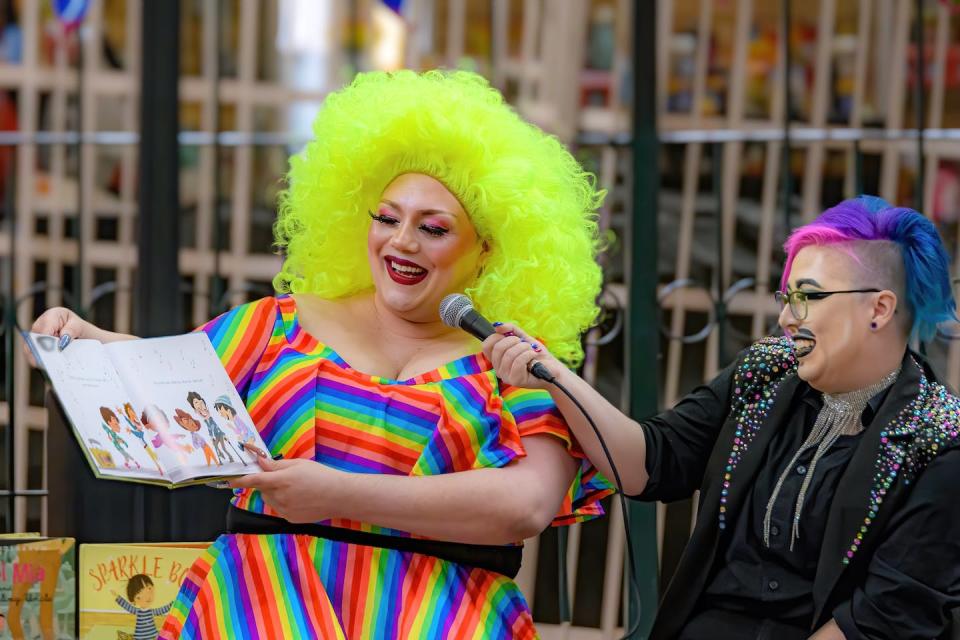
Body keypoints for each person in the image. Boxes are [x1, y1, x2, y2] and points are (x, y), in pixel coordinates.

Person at [28, 70, 611, 639]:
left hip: (445, 618)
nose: (401, 240)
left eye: (433, 228)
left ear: (487, 248)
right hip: (257, 607)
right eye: (386, 218)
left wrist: (338, 493)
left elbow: (526, 505)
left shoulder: (512, 361)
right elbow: (168, 374)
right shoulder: (282, 323)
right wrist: (86, 340)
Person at [485, 195, 960, 640]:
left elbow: (884, 616)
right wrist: (555, 379)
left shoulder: (940, 437)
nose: (786, 320)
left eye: (807, 297)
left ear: (879, 308)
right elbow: (651, 462)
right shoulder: (764, 373)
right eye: (785, 298)